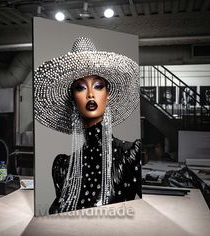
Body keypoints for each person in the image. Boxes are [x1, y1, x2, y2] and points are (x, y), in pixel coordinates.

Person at [34, 37, 141, 214]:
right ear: (73, 99)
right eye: (80, 87)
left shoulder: (129, 154)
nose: (91, 94)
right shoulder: (63, 166)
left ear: (108, 94)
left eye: (98, 86)